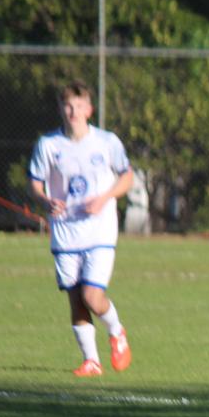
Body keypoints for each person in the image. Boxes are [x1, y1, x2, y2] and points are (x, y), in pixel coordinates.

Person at [28, 80, 134, 377]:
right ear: (61, 108)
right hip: (65, 233)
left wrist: (104, 198)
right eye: (67, 105)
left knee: (91, 296)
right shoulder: (48, 145)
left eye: (78, 105)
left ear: (89, 109)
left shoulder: (106, 141)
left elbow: (127, 178)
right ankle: (92, 361)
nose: (73, 111)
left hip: (99, 232)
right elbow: (35, 182)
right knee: (75, 300)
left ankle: (116, 330)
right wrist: (45, 200)